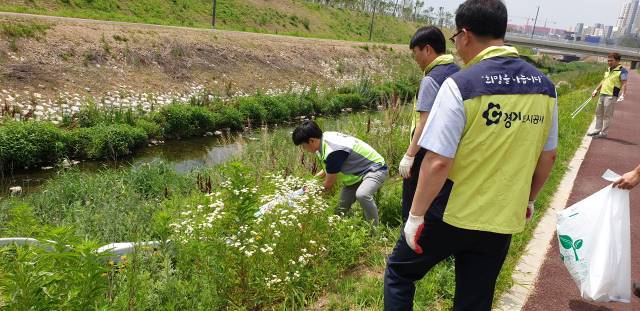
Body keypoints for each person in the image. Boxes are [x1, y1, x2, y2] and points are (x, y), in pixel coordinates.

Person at [383, 0, 559, 309]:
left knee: (399, 272)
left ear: (464, 35)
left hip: (451, 213)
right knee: (474, 300)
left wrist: (414, 216)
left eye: (456, 40)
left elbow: (438, 162)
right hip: (502, 217)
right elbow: (549, 157)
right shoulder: (545, 88)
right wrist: (529, 199)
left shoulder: (461, 84)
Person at [398, 26, 460, 222]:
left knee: (412, 208)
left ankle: (409, 247)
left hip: (425, 153)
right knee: (437, 208)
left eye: (415, 53)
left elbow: (423, 122)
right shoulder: (458, 73)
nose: (415, 59)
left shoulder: (431, 79)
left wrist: (409, 155)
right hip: (449, 152)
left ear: (427, 49)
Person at [292, 120, 388, 225]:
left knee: (362, 194)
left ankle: (374, 232)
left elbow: (328, 184)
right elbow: (328, 168)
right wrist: (312, 183)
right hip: (356, 175)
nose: (303, 149)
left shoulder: (333, 151)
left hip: (374, 169)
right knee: (340, 210)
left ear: (311, 141)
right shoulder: (323, 139)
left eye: (303, 145)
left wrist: (308, 194)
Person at [588, 52, 628, 138]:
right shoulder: (608, 69)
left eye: (611, 61)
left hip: (611, 95)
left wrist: (623, 95)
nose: (609, 62)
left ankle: (604, 133)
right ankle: (597, 130)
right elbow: (604, 81)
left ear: (617, 61)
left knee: (607, 115)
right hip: (602, 93)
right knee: (598, 113)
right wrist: (596, 90)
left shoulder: (622, 70)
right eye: (608, 61)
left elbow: (624, 83)